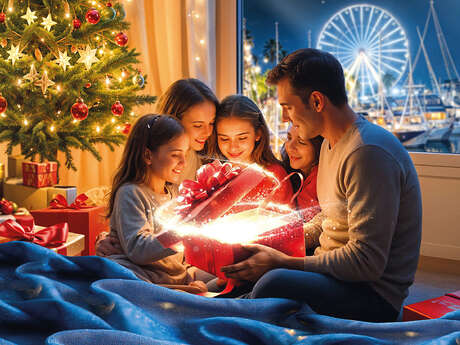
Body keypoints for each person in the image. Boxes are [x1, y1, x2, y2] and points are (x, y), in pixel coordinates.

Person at [221, 48, 422, 322]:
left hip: (372, 296)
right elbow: (329, 219)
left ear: (316, 101)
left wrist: (283, 262)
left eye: (288, 108)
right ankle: (221, 307)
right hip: (336, 272)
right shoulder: (329, 144)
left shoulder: (367, 153)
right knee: (249, 259)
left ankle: (233, 316)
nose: (285, 119)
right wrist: (272, 239)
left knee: (273, 280)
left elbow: (366, 264)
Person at [96, 78, 218, 256]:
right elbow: (136, 225)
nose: (208, 132)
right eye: (198, 125)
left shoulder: (211, 161)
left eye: (212, 123)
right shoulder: (154, 166)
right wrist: (109, 238)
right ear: (172, 121)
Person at [104, 114, 212, 293]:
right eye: (175, 155)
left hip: (173, 276)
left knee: (228, 274)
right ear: (148, 155)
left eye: (185, 154)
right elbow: (139, 250)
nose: (183, 163)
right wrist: (184, 232)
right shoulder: (130, 193)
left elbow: (178, 256)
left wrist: (189, 275)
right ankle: (171, 292)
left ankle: (179, 289)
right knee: (119, 270)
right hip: (143, 277)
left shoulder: (174, 193)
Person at [210, 94, 293, 205]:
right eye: (224, 139)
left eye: (242, 138)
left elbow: (288, 220)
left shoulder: (274, 176)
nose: (233, 147)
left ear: (258, 134)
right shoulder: (214, 175)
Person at [282, 126, 323, 223]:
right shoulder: (290, 174)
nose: (290, 147)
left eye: (301, 142)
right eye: (289, 138)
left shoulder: (323, 182)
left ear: (319, 146)